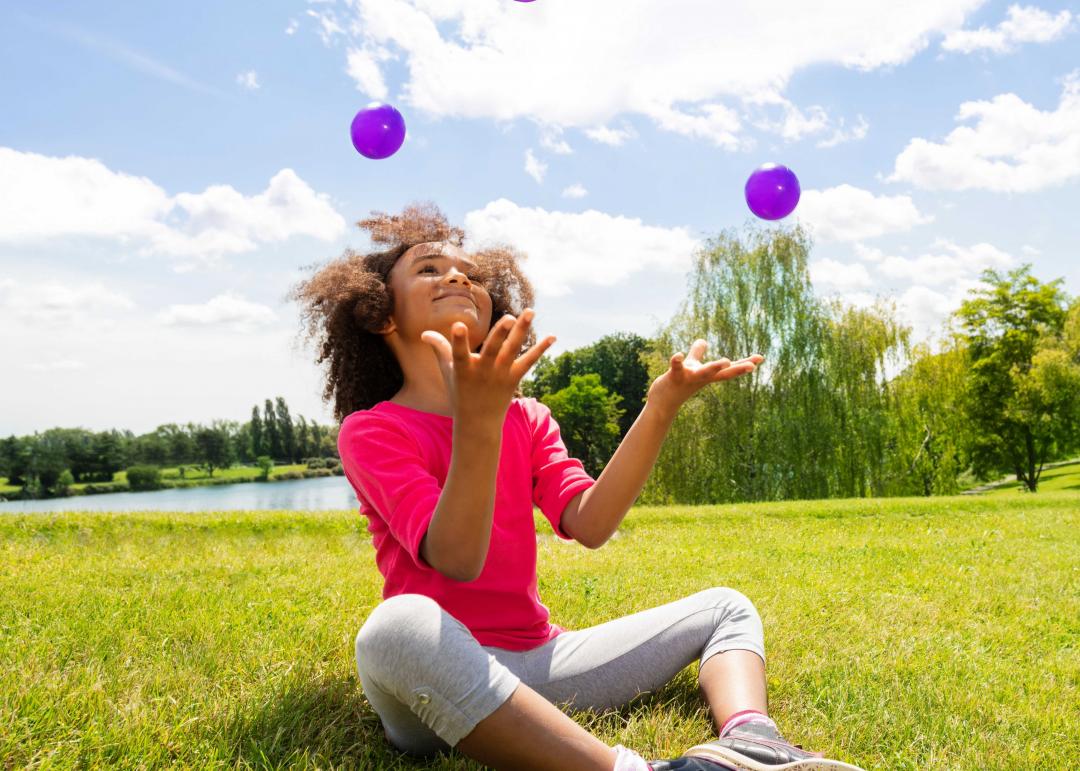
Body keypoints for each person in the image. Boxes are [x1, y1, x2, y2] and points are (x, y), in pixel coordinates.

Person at [292, 203, 864, 771]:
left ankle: (754, 740)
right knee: (394, 627)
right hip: (435, 681)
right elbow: (457, 560)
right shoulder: (373, 431)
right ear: (379, 315)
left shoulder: (529, 417)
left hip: (539, 663)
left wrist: (659, 407)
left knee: (726, 609)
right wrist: (479, 422)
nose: (458, 276)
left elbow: (589, 523)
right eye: (428, 269)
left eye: (469, 272)